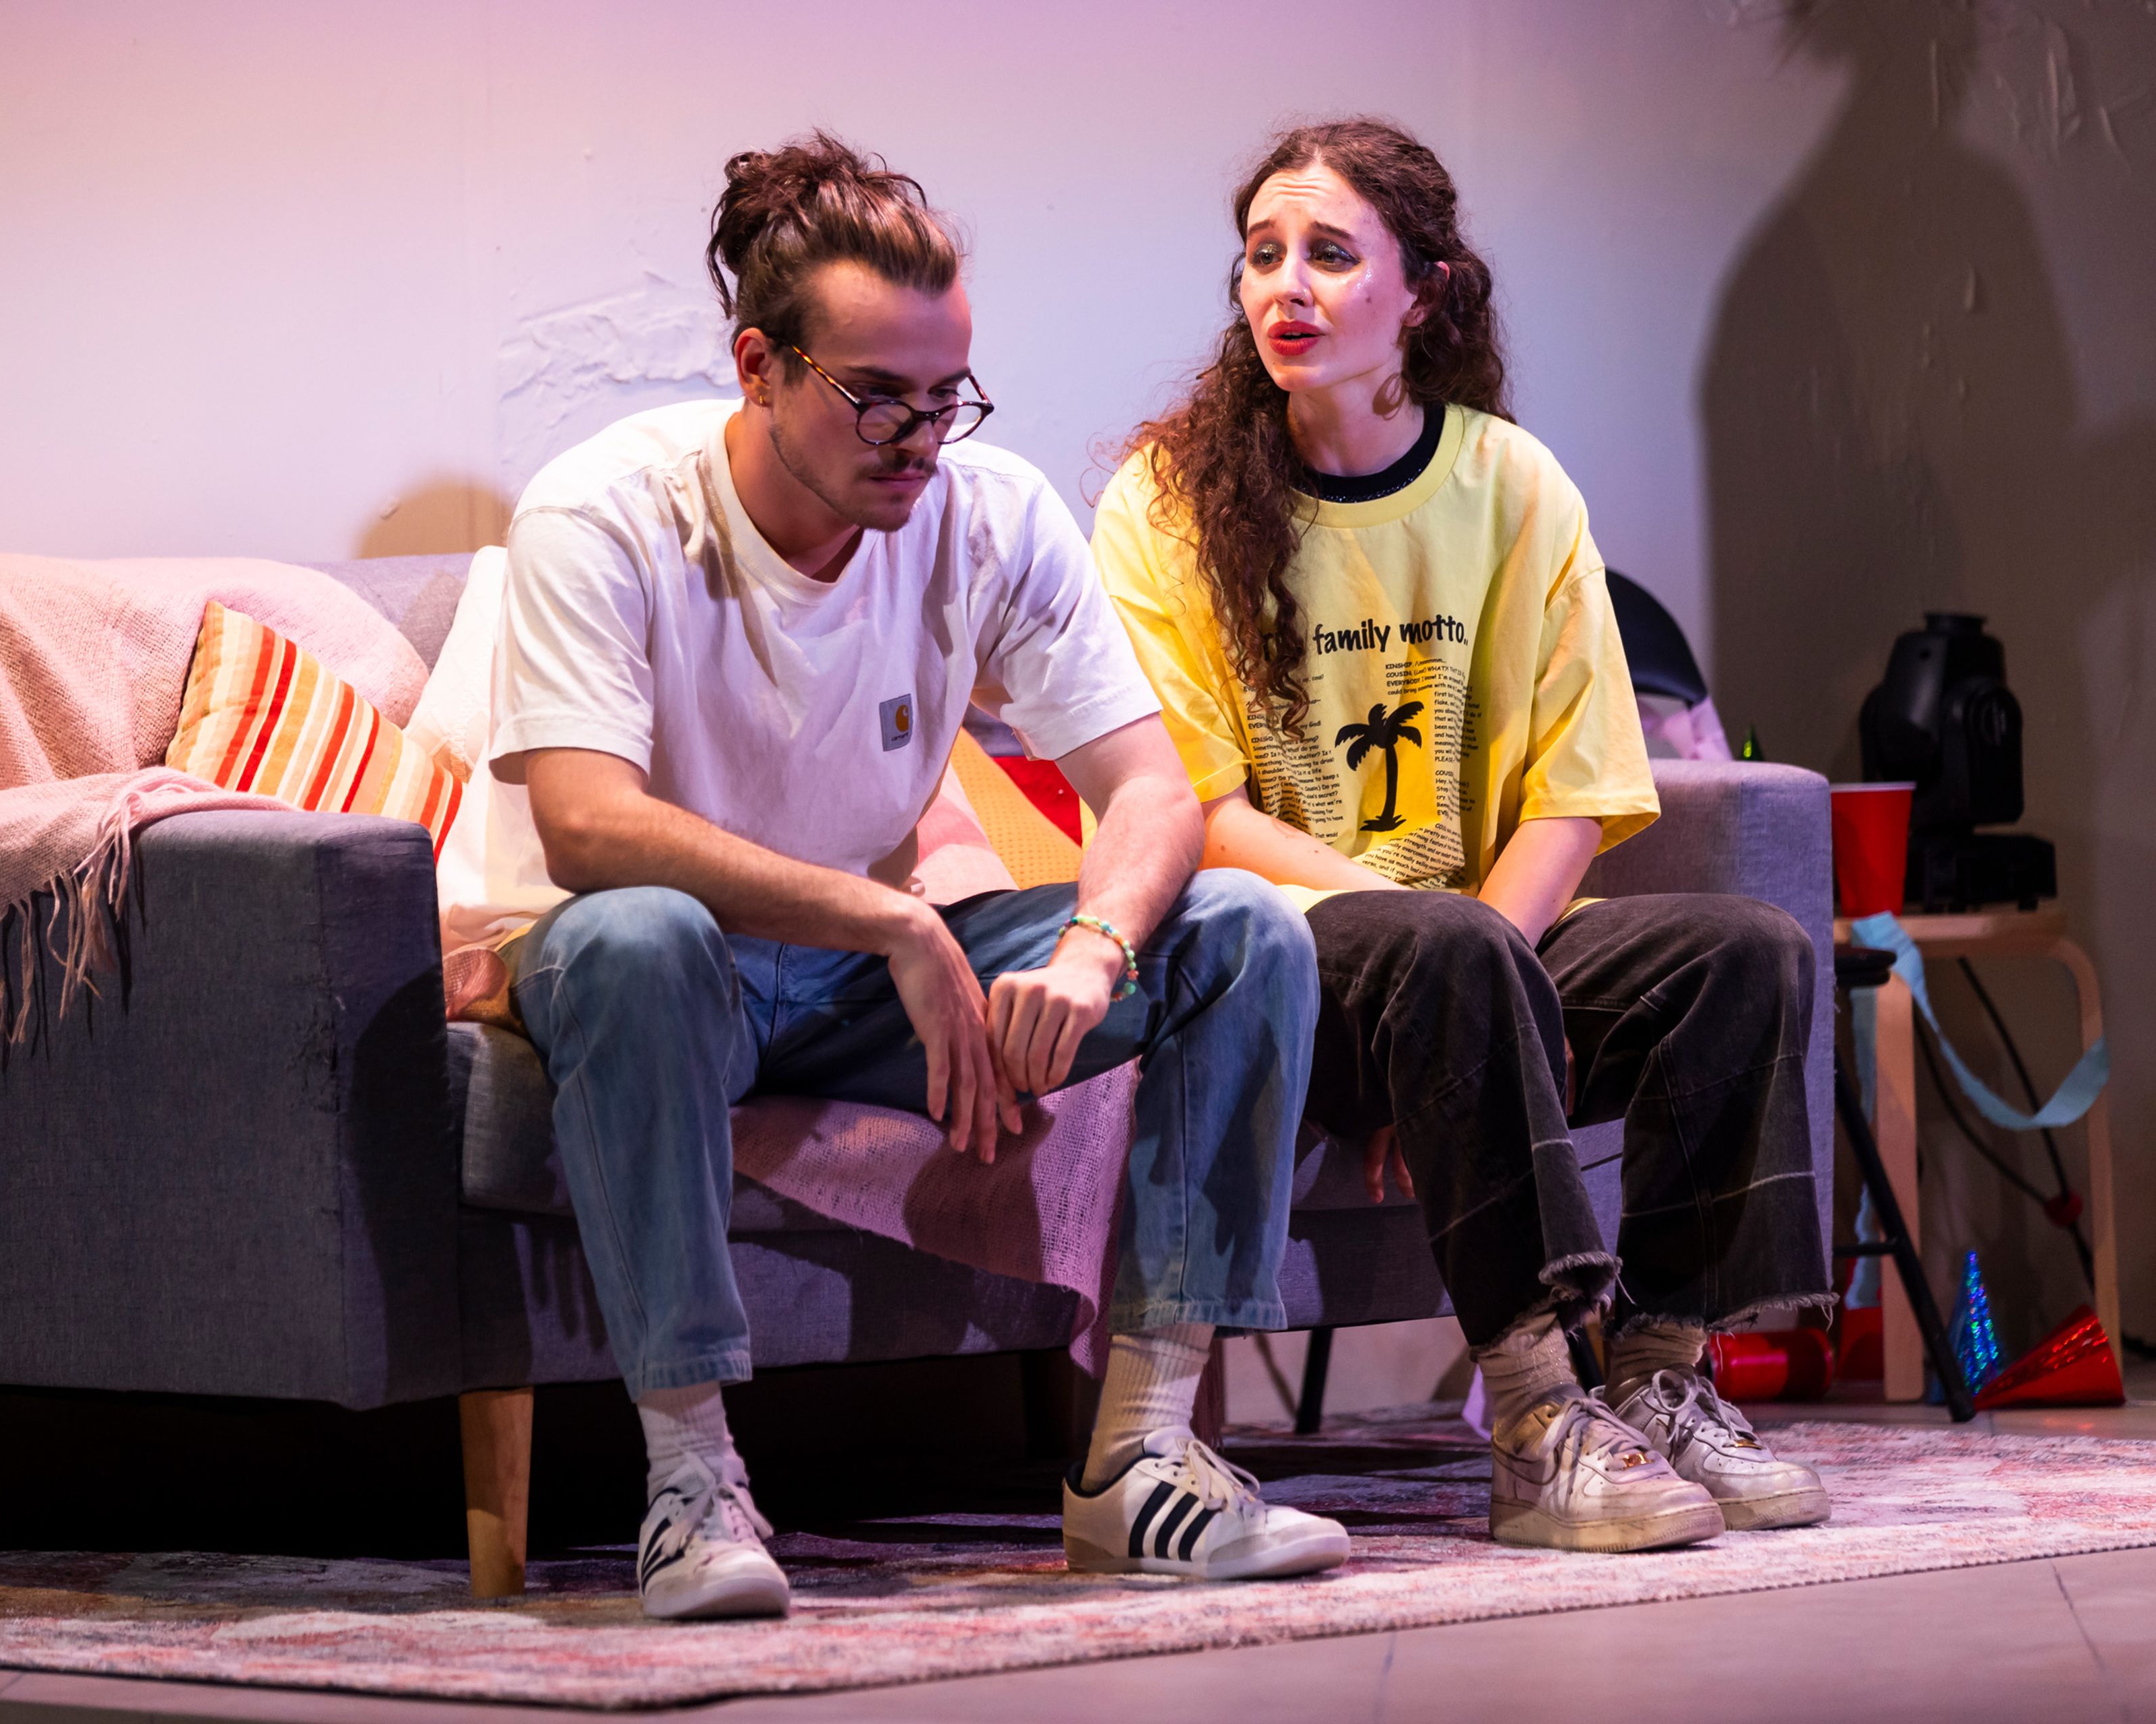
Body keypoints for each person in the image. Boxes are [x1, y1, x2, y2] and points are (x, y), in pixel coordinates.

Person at [437, 133, 1346, 1620]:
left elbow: (1150, 793)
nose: (920, 439)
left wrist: (1095, 947)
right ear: (758, 364)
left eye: (947, 398)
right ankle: (692, 1478)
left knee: (1240, 926)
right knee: (639, 935)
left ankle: (1144, 1462)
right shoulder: (605, 510)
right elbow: (589, 825)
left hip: (860, 971)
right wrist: (893, 917)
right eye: (876, 397)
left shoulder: (983, 513)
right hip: (664, 967)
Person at [1092, 118, 1834, 1554]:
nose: (1284, 287)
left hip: (1475, 953)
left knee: (1746, 954)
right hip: (1279, 963)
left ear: (1424, 290)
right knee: (1443, 951)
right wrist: (1449, 948)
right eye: (1261, 255)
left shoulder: (1512, 485)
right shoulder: (1166, 502)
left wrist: (1487, 961)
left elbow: (1572, 789)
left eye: (1328, 253)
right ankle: (1538, 1411)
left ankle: (1661, 1376)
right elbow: (1192, 810)